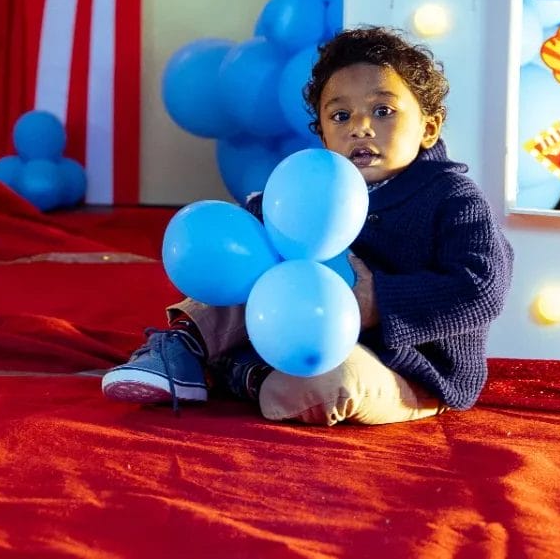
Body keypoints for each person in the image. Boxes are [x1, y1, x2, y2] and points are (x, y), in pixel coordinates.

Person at [102, 26, 513, 426]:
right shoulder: (323, 188)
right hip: (297, 323)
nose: (360, 126)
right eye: (340, 115)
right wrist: (258, 224)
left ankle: (239, 371)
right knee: (248, 259)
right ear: (324, 135)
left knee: (324, 387)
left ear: (429, 127)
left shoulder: (453, 197)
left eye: (383, 111)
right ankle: (186, 348)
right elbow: (258, 238)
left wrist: (380, 302)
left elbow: (482, 288)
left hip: (404, 365)